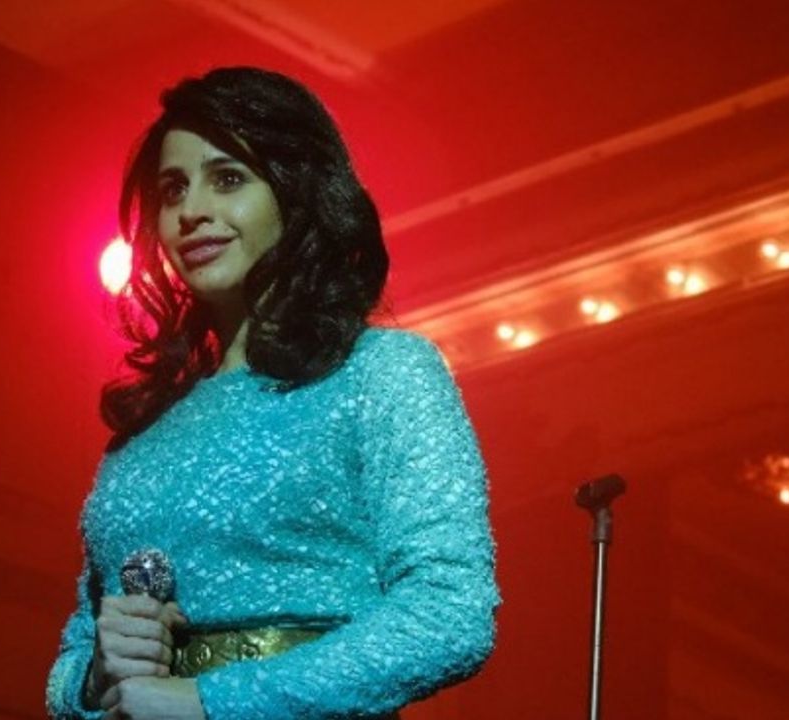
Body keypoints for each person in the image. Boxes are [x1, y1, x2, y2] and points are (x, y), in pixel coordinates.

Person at [45, 66, 500, 720]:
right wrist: (92, 678)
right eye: (173, 189)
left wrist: (210, 701)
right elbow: (75, 652)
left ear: (297, 191)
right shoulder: (145, 429)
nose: (191, 211)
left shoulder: (381, 372)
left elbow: (449, 613)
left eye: (228, 178)